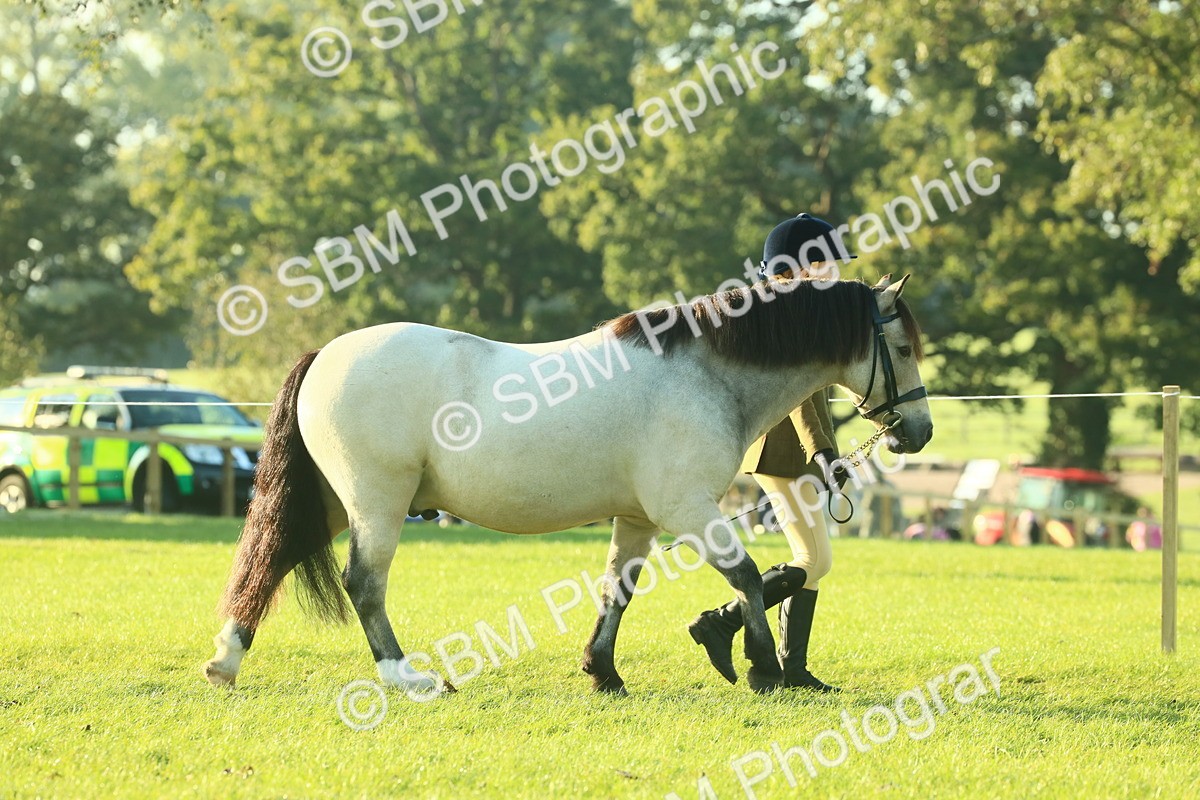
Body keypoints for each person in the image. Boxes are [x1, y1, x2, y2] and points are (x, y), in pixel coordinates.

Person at [687, 213, 853, 692]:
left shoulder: (804, 314)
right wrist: (823, 452)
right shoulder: (793, 317)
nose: (835, 272)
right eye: (827, 264)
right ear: (802, 267)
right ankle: (722, 621)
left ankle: (791, 669)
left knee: (813, 561)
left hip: (793, 454)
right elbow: (802, 402)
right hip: (782, 452)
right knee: (814, 559)